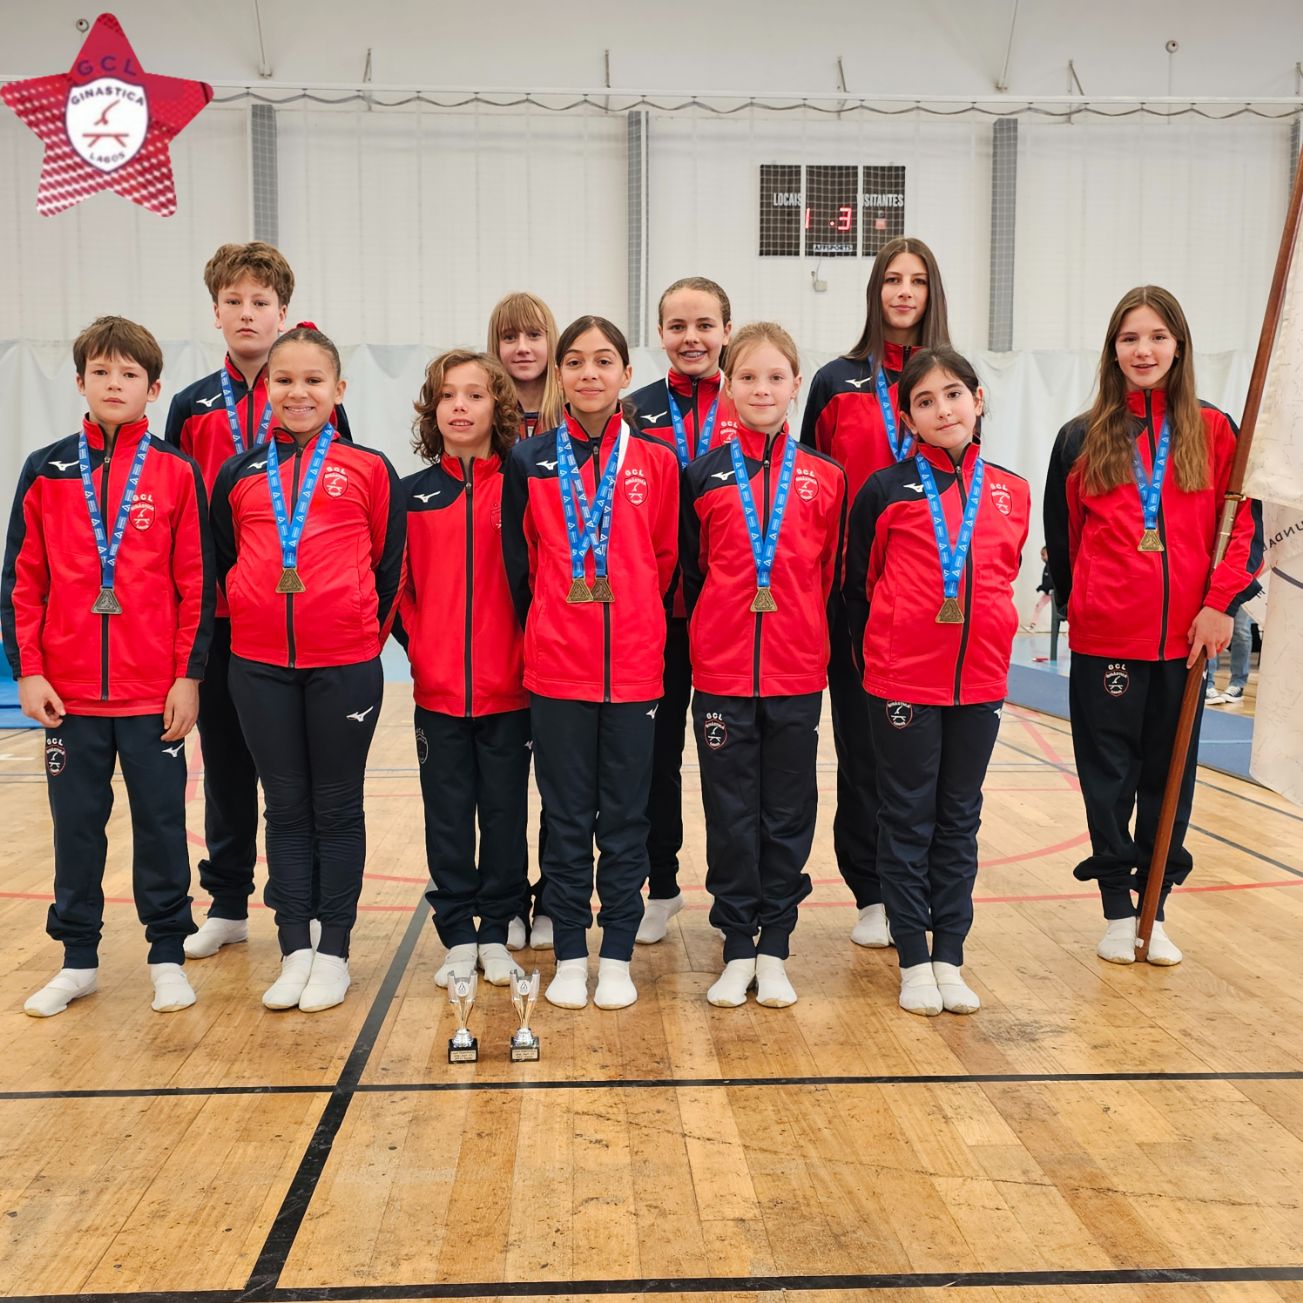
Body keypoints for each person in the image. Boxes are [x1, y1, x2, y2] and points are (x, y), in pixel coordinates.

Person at [1044, 286, 1262, 966]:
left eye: (1156, 337)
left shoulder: (1216, 429)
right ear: (1112, 350)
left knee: (1167, 779)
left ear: (1178, 345)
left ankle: (1154, 906)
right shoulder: (1081, 435)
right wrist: (1087, 610)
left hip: (1187, 640)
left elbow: (1242, 529)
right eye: (1128, 338)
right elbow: (1064, 537)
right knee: (1106, 777)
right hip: (1106, 639)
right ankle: (1116, 905)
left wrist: (1218, 603)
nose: (1142, 350)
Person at [3, 316, 213, 1016]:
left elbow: (196, 585)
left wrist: (188, 677)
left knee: (160, 824)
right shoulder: (45, 468)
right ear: (80, 382)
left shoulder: (176, 472)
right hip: (69, 695)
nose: (114, 384)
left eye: (129, 374)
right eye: (102, 372)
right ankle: (78, 958)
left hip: (153, 691)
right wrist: (28, 670)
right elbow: (21, 581)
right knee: (76, 826)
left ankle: (166, 954)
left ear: (154, 389)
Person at [166, 242, 351, 961]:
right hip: (219, 616)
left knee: (295, 770)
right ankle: (228, 899)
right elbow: (178, 506)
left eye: (261, 302)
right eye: (234, 302)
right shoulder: (190, 405)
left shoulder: (316, 395)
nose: (248, 313)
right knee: (227, 763)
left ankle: (296, 903)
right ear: (216, 312)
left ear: (282, 312)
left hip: (300, 619)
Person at [210, 325, 404, 1011]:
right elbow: (225, 559)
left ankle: (336, 950)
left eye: (313, 380)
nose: (298, 391)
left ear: (338, 390)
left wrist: (355, 634)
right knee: (284, 807)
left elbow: (388, 565)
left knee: (336, 806)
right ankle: (295, 944)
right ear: (267, 389)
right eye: (284, 380)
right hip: (257, 666)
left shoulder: (370, 469)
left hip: (343, 666)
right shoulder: (238, 473)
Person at [501, 316, 679, 1010]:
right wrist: (553, 621)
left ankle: (617, 954)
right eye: (573, 361)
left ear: (625, 374)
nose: (587, 373)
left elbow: (664, 559)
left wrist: (630, 615)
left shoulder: (658, 461)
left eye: (603, 360)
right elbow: (521, 561)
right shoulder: (532, 458)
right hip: (558, 668)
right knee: (568, 816)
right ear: (558, 375)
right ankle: (570, 951)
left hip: (633, 667)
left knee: (627, 819)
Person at [845, 348, 1028, 1016]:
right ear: (908, 417)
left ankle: (949, 951)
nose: (941, 409)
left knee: (958, 819)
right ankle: (913, 959)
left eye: (952, 394)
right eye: (924, 401)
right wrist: (888, 652)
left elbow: (1002, 573)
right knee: (905, 818)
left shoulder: (1010, 489)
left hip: (978, 682)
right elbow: (859, 586)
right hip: (902, 683)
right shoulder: (883, 489)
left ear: (977, 400)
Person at [681, 322, 845, 1008]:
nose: (761, 389)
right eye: (747, 377)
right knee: (729, 812)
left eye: (775, 377)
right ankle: (734, 943)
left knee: (786, 812)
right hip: (719, 672)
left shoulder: (825, 476)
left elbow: (831, 577)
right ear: (727, 385)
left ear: (794, 386)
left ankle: (774, 942)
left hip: (795, 671)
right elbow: (689, 574)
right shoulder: (701, 474)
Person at [800, 236, 951, 949]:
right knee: (862, 751)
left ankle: (919, 888)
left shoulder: (947, 381)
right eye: (891, 279)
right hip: (852, 599)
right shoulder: (835, 381)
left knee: (925, 760)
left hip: (932, 602)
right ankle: (870, 890)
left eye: (916, 281)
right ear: (873, 290)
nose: (902, 292)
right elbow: (804, 489)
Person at [397, 350, 531, 989]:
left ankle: (500, 930)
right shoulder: (412, 495)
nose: (459, 406)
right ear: (433, 409)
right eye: (447, 395)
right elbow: (399, 592)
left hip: (513, 690)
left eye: (474, 395)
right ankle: (456, 934)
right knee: (446, 813)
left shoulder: (524, 485)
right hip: (439, 690)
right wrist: (422, 647)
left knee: (504, 813)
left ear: (497, 408)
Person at [627, 276, 736, 945]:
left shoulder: (754, 397)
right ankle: (659, 884)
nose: (690, 337)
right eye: (676, 325)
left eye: (703, 324)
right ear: (660, 333)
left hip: (731, 616)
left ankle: (737, 891)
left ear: (726, 329)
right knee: (655, 757)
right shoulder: (634, 409)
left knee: (730, 761)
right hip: (660, 616)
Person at [486, 291, 564, 951]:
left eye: (533, 334)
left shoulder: (583, 418)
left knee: (562, 785)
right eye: (508, 336)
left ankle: (553, 900)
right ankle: (507, 895)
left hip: (566, 624)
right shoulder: (483, 417)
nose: (521, 347)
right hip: (498, 615)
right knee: (507, 782)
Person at [1205, 605, 1254, 705]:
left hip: (1241, 590)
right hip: (1214, 589)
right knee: (1212, 628)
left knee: (1241, 632)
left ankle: (1238, 684)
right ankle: (1207, 683)